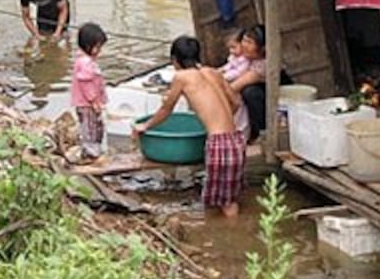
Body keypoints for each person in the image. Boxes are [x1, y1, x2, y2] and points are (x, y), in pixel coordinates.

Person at [134, 36, 245, 217]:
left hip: (219, 143)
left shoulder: (182, 77)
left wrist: (145, 126)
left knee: (222, 205)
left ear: (174, 60)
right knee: (227, 199)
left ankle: (222, 235)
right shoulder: (213, 73)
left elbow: (166, 110)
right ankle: (230, 235)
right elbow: (236, 101)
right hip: (236, 140)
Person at [71, 23, 108, 160]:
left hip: (87, 103)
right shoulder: (86, 63)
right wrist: (94, 101)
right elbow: (86, 84)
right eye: (98, 47)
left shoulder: (84, 60)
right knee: (91, 127)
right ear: (88, 46)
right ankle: (91, 152)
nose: (99, 51)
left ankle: (93, 149)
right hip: (87, 104)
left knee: (92, 126)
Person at [231, 24, 267, 142]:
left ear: (262, 48)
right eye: (244, 40)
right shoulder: (245, 58)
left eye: (250, 42)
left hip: (270, 103)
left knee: (250, 92)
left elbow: (235, 86)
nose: (244, 45)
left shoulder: (263, 65)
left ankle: (262, 132)